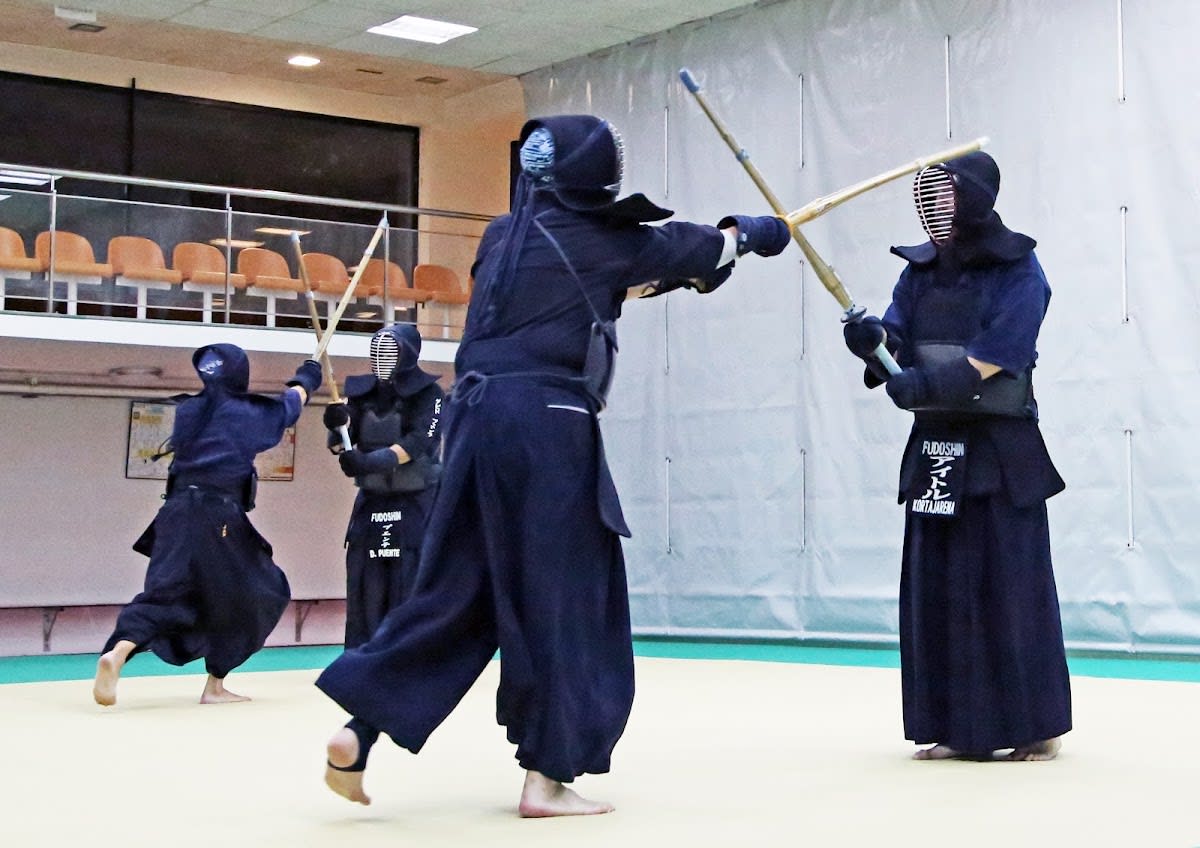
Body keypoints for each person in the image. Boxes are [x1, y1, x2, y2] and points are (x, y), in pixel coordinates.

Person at [315, 114, 792, 814]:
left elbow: (591, 289)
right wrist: (755, 232)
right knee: (568, 596)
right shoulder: (612, 238)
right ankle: (548, 774)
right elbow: (705, 249)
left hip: (475, 422)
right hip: (548, 428)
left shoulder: (501, 237)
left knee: (456, 589)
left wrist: (684, 272)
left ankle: (359, 729)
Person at [843, 150, 1071, 761]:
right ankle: (953, 724)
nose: (933, 206)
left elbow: (1002, 351)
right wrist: (874, 345)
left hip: (999, 448)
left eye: (944, 194)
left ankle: (1031, 724)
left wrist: (930, 385)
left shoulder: (1020, 270)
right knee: (937, 583)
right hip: (938, 448)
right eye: (928, 195)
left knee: (1008, 584)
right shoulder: (918, 274)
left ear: (974, 196)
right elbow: (897, 336)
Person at [92, 344, 322, 706]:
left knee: (166, 595)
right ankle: (215, 684)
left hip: (175, 513)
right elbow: (288, 407)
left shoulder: (190, 410)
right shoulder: (244, 413)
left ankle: (118, 652)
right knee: (262, 591)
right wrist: (307, 377)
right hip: (218, 516)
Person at [322, 323, 445, 648]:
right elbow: (342, 443)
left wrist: (373, 462)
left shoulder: (431, 395)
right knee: (366, 586)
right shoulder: (361, 395)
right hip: (372, 504)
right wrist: (336, 430)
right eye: (377, 352)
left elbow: (422, 440)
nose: (381, 359)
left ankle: (409, 658)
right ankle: (362, 658)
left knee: (409, 585)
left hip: (415, 506)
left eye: (390, 352)